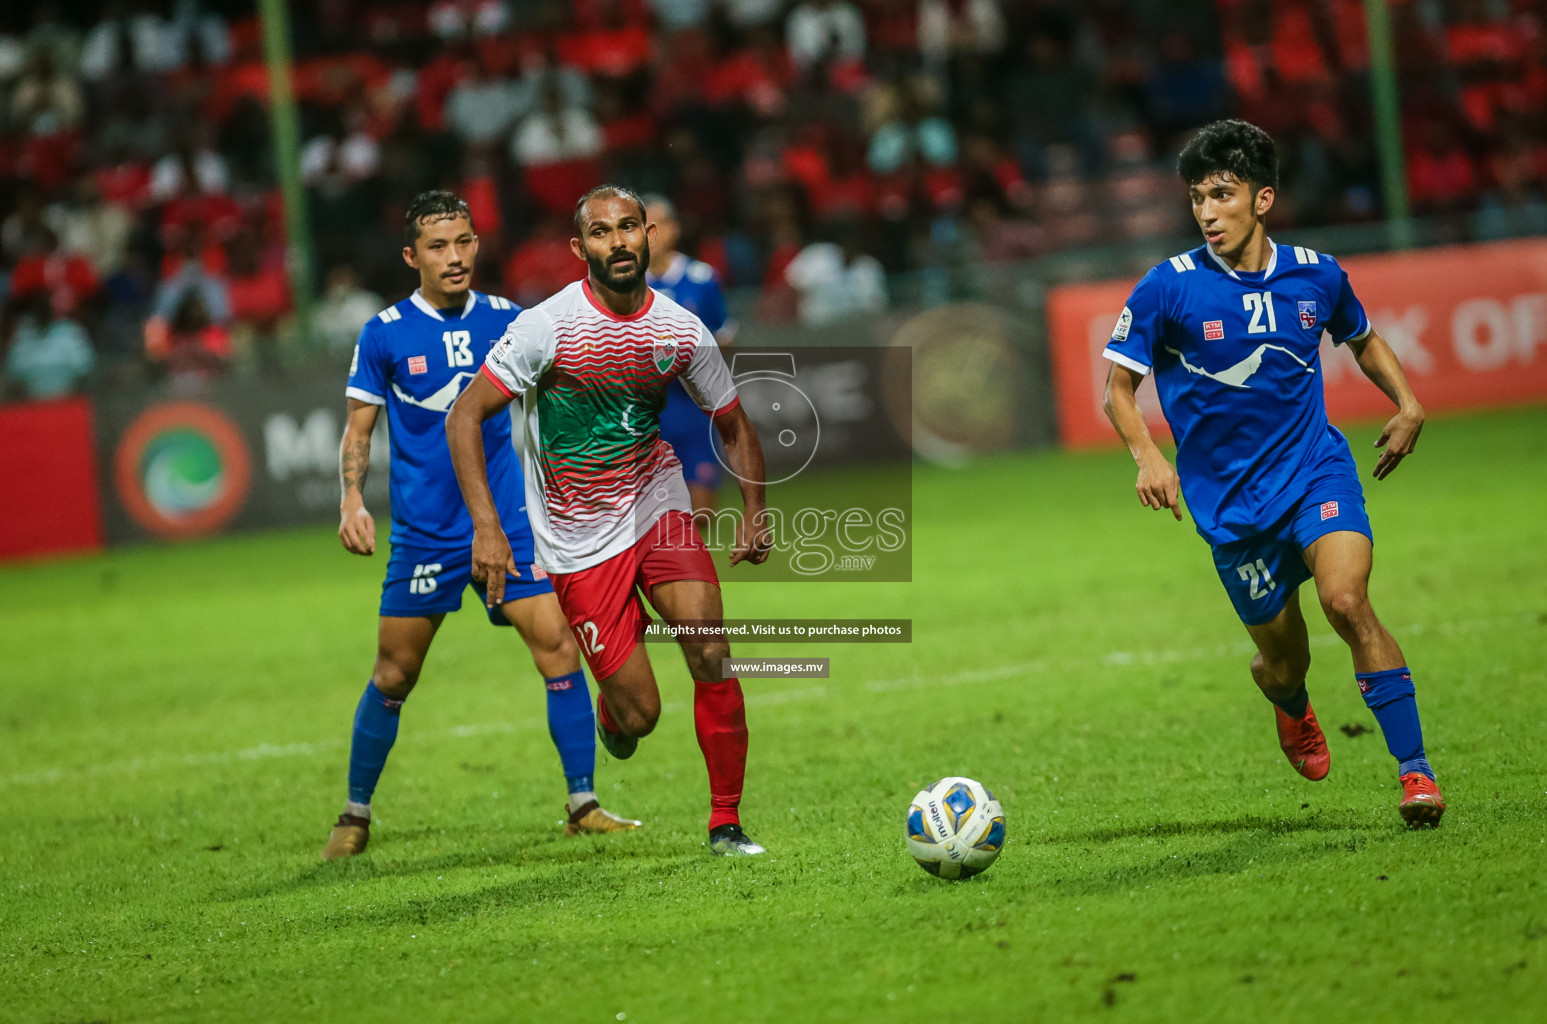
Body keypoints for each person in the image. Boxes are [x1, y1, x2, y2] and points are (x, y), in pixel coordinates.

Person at [1100, 120, 1444, 827]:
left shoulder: (1316, 273)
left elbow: (1362, 336)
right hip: (1230, 510)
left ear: (1261, 199)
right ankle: (1289, 703)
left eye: (1220, 194)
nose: (1205, 211)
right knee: (1283, 663)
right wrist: (1147, 455)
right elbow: (1116, 388)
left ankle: (1415, 773)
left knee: (1346, 602)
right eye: (1196, 197)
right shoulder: (1168, 288)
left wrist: (1407, 402)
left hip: (1314, 472)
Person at [447, 185, 773, 856]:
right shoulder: (549, 326)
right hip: (576, 541)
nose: (617, 241)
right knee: (640, 716)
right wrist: (486, 526)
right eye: (601, 232)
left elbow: (733, 422)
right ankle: (613, 715)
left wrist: (754, 513)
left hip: (658, 505)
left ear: (649, 236)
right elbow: (464, 416)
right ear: (579, 248)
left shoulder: (680, 328)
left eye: (629, 228)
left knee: (710, 648)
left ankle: (725, 822)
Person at [323, 190, 639, 860]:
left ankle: (582, 802)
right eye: (438, 246)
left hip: (509, 525)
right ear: (412, 256)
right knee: (393, 674)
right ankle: (354, 815)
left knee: (556, 648)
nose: (455, 256)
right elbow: (359, 429)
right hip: (426, 535)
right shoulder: (384, 332)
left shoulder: (511, 320)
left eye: (464, 241)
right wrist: (351, 497)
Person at [642, 194, 737, 515]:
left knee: (702, 514)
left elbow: (724, 338)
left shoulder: (702, 279)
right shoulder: (625, 285)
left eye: (657, 226)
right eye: (643, 227)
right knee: (656, 516)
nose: (650, 235)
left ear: (673, 229)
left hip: (695, 409)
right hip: (647, 413)